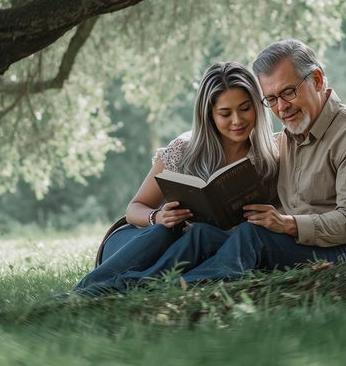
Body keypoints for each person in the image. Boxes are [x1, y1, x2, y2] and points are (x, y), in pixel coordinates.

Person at [88, 39, 346, 292]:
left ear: (316, 79)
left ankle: (159, 289)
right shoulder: (289, 137)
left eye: (288, 92)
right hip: (291, 241)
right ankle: (104, 288)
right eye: (271, 99)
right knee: (201, 235)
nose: (281, 107)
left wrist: (285, 223)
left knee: (252, 236)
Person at [70, 61, 279, 296]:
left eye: (245, 108)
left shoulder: (269, 157)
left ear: (258, 108)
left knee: (202, 239)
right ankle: (83, 292)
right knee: (164, 233)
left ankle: (116, 290)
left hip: (190, 254)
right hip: (138, 243)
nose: (237, 120)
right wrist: (157, 216)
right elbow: (134, 209)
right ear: (209, 115)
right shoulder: (183, 150)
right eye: (225, 113)